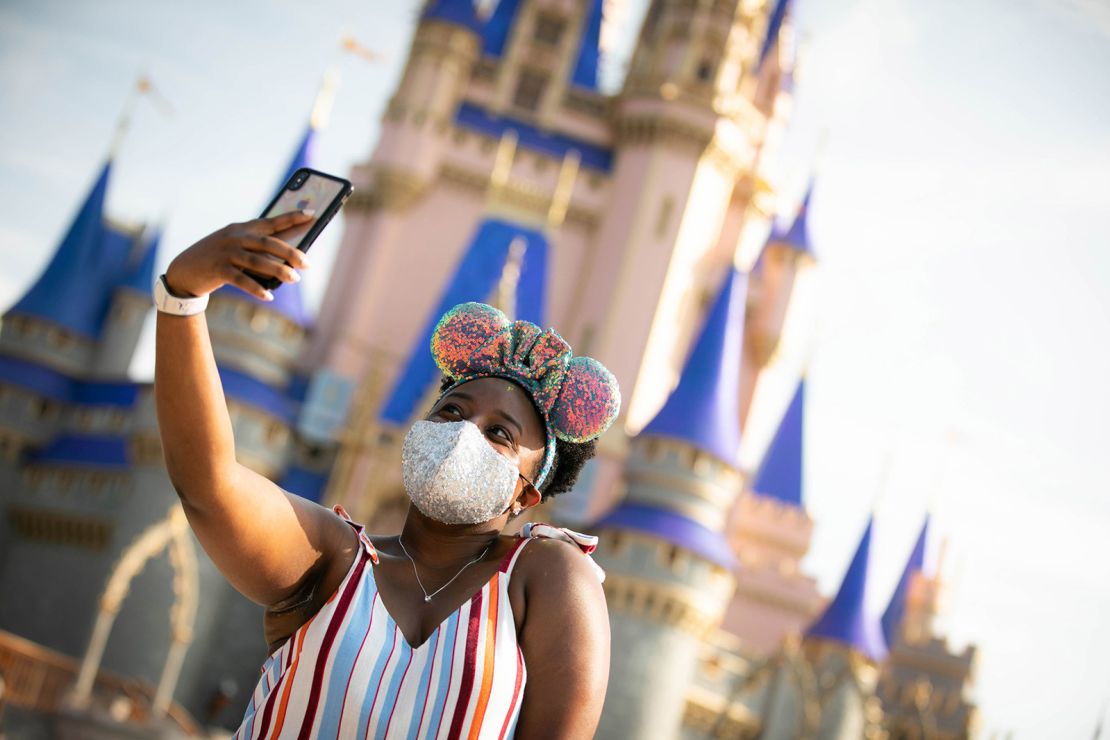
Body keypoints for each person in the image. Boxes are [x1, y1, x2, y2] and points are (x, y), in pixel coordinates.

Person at [153, 211, 621, 739]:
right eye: (451, 412)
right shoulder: (335, 558)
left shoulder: (545, 577)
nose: (464, 431)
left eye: (499, 434)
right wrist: (181, 298)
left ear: (527, 493)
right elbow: (208, 486)